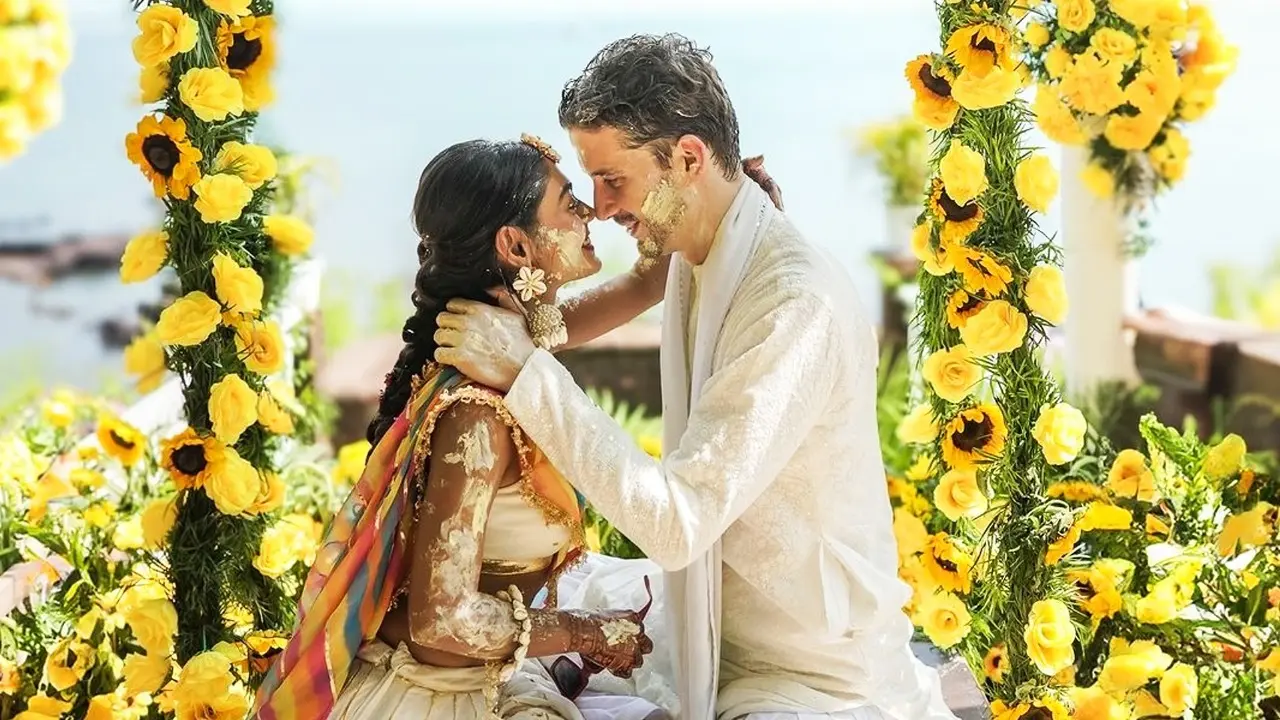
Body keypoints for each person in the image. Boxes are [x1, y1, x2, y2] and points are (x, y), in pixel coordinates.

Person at [432, 34, 960, 720]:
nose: (599, 207)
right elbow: (631, 288)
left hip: (806, 669)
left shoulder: (794, 305)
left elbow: (678, 525)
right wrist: (517, 333)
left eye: (613, 180)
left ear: (687, 158)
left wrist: (530, 374)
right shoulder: (702, 240)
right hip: (712, 619)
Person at [252, 137, 667, 720]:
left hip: (482, 676)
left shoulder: (511, 348)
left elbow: (647, 284)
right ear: (516, 246)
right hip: (439, 695)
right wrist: (585, 632)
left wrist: (723, 207)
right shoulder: (478, 411)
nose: (590, 212)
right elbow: (440, 622)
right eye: (568, 201)